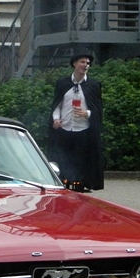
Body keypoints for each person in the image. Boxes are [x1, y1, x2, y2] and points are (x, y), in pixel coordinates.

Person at [47, 48, 104, 191]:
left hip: (83, 131)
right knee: (63, 160)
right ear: (74, 64)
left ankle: (80, 188)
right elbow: (57, 105)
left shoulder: (93, 85)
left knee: (81, 162)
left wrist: (87, 113)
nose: (85, 65)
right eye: (82, 62)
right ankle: (65, 186)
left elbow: (98, 110)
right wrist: (56, 119)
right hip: (65, 129)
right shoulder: (62, 83)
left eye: (88, 63)